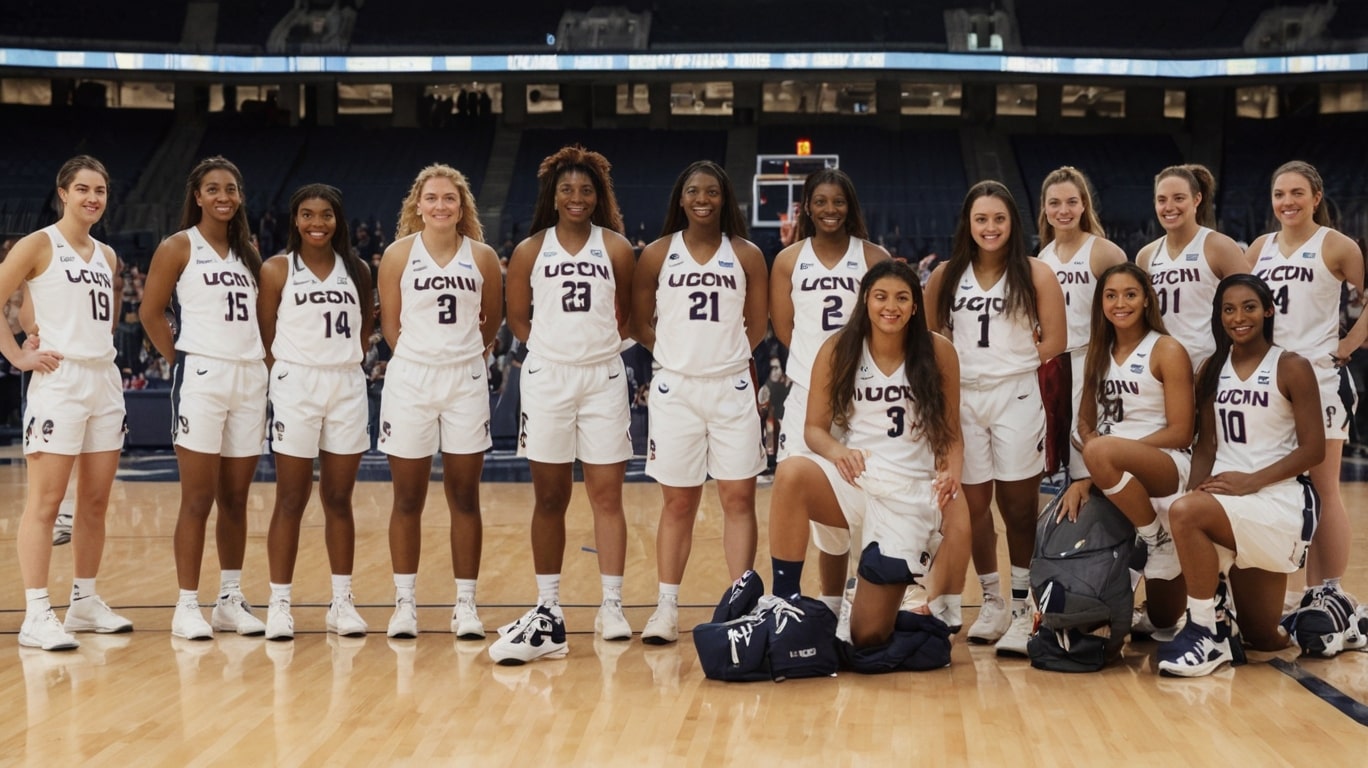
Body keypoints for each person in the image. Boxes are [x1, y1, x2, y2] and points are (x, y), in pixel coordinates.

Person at [768, 259, 970, 648]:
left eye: (901, 298)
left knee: (868, 635)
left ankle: (911, 607)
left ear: (915, 306)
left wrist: (951, 472)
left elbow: (951, 434)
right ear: (866, 300)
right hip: (857, 479)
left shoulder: (938, 351)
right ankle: (785, 603)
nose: (889, 306)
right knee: (791, 472)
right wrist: (837, 451)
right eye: (880, 297)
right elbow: (813, 429)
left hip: (909, 493)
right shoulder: (840, 347)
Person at [489, 145, 636, 664]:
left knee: (607, 496)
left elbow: (630, 317)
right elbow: (519, 320)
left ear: (599, 197)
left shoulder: (616, 247)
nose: (576, 197)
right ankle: (548, 606)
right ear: (552, 196)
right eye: (567, 189)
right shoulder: (531, 250)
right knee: (549, 498)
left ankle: (612, 605)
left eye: (586, 190)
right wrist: (555, 353)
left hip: (603, 377)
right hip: (549, 377)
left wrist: (594, 349)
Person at [923, 180, 1066, 655]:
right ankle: (992, 601)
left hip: (1016, 395)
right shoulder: (946, 274)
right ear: (968, 222)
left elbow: (1056, 341)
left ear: (1013, 223)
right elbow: (930, 338)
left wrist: (1014, 364)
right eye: (981, 219)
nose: (990, 228)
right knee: (974, 506)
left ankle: (1026, 609)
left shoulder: (1036, 273)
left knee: (1020, 507)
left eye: (999, 219)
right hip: (963, 398)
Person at [630, 161, 769, 644]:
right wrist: (672, 353)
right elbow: (638, 319)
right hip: (676, 389)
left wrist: (721, 358)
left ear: (724, 197)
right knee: (678, 502)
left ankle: (740, 604)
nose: (703, 198)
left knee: (738, 499)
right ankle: (666, 607)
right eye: (693, 191)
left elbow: (758, 324)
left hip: (731, 387)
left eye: (712, 191)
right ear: (681, 198)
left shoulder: (747, 254)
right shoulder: (657, 254)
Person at [1157, 274, 1324, 676]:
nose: (1238, 317)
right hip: (1227, 500)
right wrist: (1195, 492)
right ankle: (1216, 624)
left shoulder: (1292, 366)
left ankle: (1206, 633)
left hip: (1279, 499)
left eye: (1249, 307)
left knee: (1264, 637)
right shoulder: (1211, 369)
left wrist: (1252, 481)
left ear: (1268, 310)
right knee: (1260, 636)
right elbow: (1207, 446)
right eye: (1228, 309)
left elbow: (1313, 449)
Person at [0, 155, 131, 650]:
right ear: (63, 192)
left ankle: (84, 601)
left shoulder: (108, 255)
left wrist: (34, 330)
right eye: (82, 188)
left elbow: (86, 317)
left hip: (104, 379)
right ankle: (36, 612)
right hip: (60, 380)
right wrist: (17, 355)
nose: (92, 198)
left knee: (94, 502)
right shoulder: (38, 243)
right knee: (46, 503)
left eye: (100, 190)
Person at [140, 156, 267, 640]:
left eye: (231, 189)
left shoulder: (249, 253)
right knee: (198, 497)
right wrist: (182, 357)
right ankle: (186, 604)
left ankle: (229, 599)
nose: (223, 196)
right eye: (213, 188)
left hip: (249, 378)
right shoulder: (178, 246)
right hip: (203, 375)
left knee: (236, 498)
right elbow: (151, 312)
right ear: (196, 196)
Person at [375, 165, 502, 639]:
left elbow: (491, 323)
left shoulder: (483, 257)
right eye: (432, 198)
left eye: (449, 198)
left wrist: (465, 355)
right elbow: (391, 325)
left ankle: (465, 604)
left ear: (462, 205)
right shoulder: (397, 255)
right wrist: (419, 358)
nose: (441, 206)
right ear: (418, 205)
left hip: (465, 379)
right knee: (407, 497)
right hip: (411, 380)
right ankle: (404, 603)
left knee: (464, 497)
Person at [1250, 160, 1367, 656]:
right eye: (1279, 193)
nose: (1287, 202)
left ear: (1316, 196)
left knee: (1324, 489)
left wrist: (1347, 346)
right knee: (1283, 488)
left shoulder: (1337, 245)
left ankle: (1329, 590)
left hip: (1319, 380)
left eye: (1297, 192)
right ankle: (1305, 594)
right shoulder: (1259, 248)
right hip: (1271, 381)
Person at [768, 168, 889, 623]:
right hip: (806, 396)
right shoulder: (789, 260)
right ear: (806, 208)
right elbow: (785, 329)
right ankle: (826, 607)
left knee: (869, 497)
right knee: (816, 511)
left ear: (850, 206)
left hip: (865, 398)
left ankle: (868, 602)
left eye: (838, 202)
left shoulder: (873, 255)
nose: (830, 210)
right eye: (821, 202)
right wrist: (815, 371)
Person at [257, 184, 375, 640]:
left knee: (339, 499)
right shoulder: (277, 269)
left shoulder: (359, 270)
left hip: (345, 383)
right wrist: (286, 378)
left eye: (326, 215)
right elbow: (265, 335)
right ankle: (279, 604)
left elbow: (364, 330)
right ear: (295, 220)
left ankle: (341, 602)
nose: (317, 223)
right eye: (307, 215)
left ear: (338, 220)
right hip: (296, 383)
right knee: (291, 497)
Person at [1056, 262, 1195, 637]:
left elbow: (1181, 431)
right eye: (1111, 295)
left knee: (1101, 450)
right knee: (1160, 624)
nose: (1121, 303)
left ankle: (1156, 540)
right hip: (1112, 467)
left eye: (1130, 294)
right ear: (1100, 303)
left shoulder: (1166, 349)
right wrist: (1093, 472)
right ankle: (1153, 542)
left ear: (1147, 298)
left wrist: (1113, 451)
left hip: (1165, 464)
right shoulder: (1097, 352)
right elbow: (1083, 425)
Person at [1034, 167, 1126, 482]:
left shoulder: (1102, 250)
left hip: (1093, 358)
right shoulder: (1042, 257)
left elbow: (1133, 303)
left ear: (1084, 205)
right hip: (1054, 363)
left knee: (1088, 446)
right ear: (1044, 209)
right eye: (1055, 203)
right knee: (1059, 453)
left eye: (1072, 202)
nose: (1064, 210)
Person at [1136, 164, 1247, 373]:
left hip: (1208, 365)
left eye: (1179, 198)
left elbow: (1251, 307)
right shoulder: (1146, 255)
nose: (1169, 207)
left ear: (1196, 199)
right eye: (1162, 200)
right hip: (1160, 366)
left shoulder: (1220, 246)